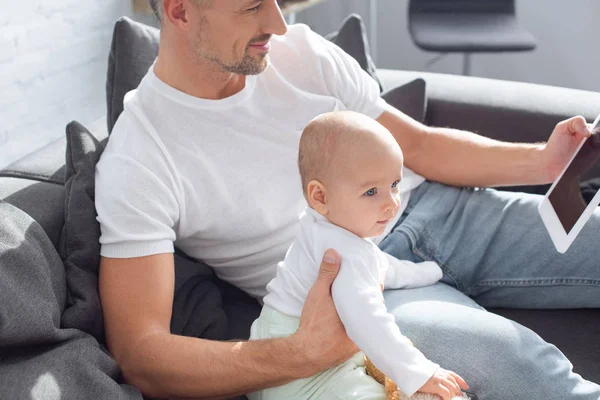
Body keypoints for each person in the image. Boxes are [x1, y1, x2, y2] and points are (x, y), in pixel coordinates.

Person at [95, 0, 600, 399]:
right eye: (251, 7)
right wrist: (297, 353)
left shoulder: (299, 52)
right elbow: (142, 354)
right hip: (364, 288)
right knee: (517, 362)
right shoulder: (141, 156)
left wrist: (543, 161)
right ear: (180, 9)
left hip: (444, 211)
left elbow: (417, 146)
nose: (277, 21)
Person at [248, 110, 468, 400]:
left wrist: (428, 272)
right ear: (320, 197)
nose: (391, 204)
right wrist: (420, 373)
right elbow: (368, 321)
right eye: (371, 192)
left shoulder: (321, 227)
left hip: (269, 354)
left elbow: (380, 266)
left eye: (393, 185)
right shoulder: (343, 250)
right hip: (308, 380)